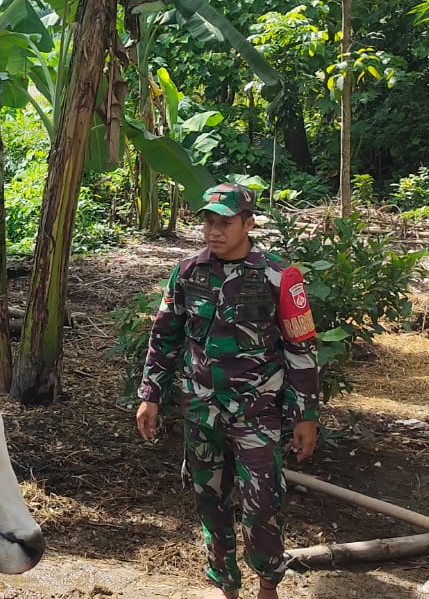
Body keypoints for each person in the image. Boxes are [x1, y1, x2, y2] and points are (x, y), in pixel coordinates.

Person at [135, 183, 320, 599]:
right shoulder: (187, 273)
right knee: (210, 504)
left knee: (263, 506)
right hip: (202, 411)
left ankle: (268, 584)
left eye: (225, 223)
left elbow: (301, 348)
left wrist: (306, 415)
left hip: (258, 414)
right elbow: (164, 337)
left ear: (249, 224)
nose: (214, 231)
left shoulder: (279, 276)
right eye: (209, 221)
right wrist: (150, 394)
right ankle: (225, 586)